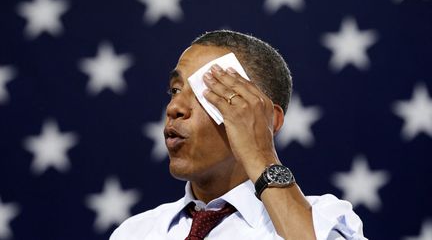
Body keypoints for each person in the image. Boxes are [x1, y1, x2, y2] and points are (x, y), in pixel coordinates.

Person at [110, 30, 366, 240]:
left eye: (207, 92)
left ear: (270, 119)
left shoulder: (325, 219)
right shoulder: (134, 232)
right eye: (175, 90)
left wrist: (261, 156)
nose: (174, 108)